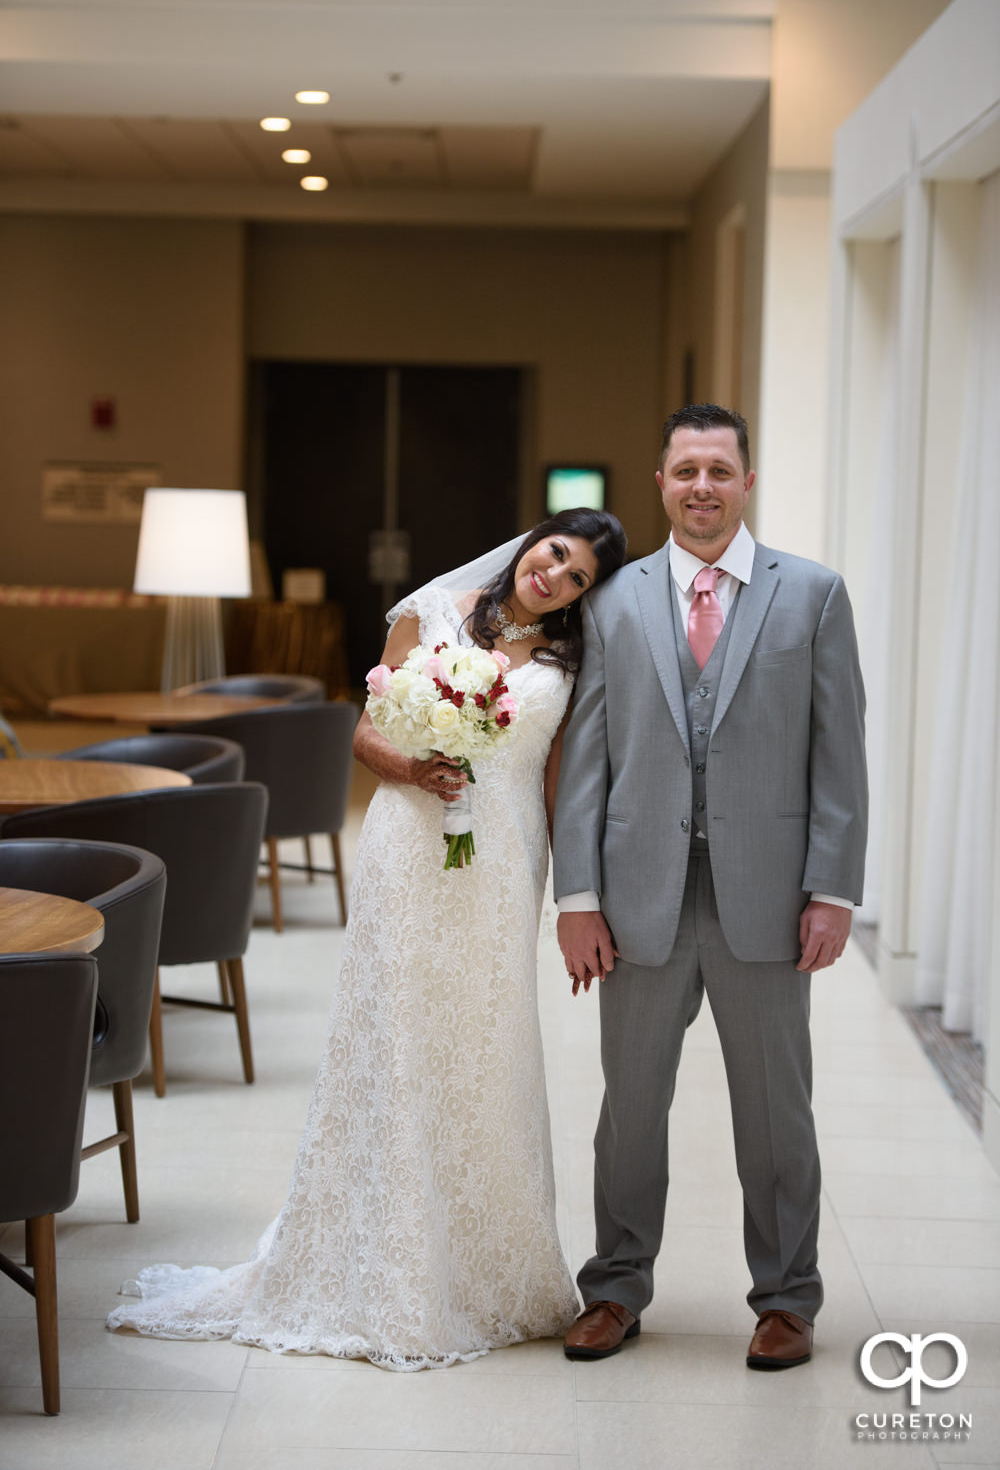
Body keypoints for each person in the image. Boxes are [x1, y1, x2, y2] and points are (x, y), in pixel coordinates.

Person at [107, 507, 627, 1371]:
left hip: (501, 860)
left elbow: (558, 780)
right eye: (556, 555)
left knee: (484, 1047)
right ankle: (388, 1264)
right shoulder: (434, 610)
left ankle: (491, 1266)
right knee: (395, 1037)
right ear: (533, 541)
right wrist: (416, 766)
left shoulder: (573, 658)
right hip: (409, 842)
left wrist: (576, 892)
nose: (556, 579)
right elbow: (364, 731)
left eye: (577, 580)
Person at [553, 404, 867, 1369]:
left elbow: (837, 755)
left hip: (768, 899)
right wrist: (577, 900)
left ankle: (786, 1299)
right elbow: (586, 760)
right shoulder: (612, 602)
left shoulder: (812, 595)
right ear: (660, 483)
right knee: (630, 1111)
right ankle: (614, 1289)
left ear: (746, 483)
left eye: (719, 471)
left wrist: (832, 888)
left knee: (777, 1112)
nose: (701, 486)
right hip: (638, 893)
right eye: (684, 469)